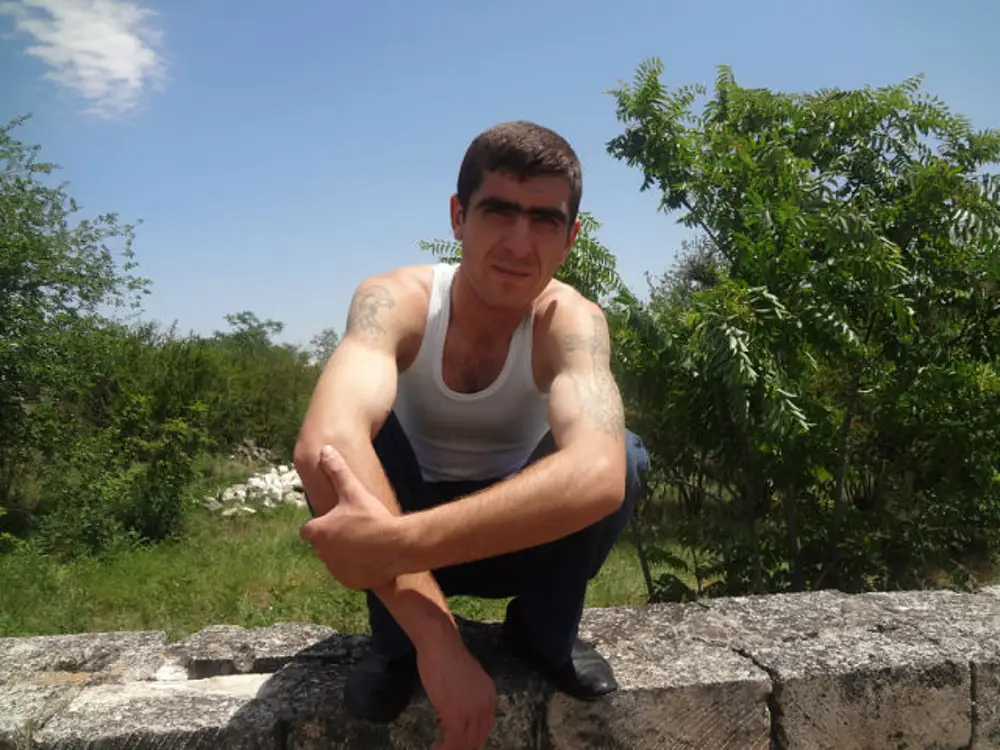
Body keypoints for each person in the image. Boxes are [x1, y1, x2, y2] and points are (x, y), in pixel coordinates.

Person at [294, 121, 650, 750]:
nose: (518, 242)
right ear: (459, 217)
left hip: (511, 532)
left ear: (570, 238)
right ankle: (403, 645)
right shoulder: (395, 301)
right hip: (406, 513)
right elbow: (323, 446)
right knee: (351, 449)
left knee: (624, 451)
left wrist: (394, 545)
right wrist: (440, 642)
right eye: (499, 211)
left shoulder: (572, 321)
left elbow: (600, 475)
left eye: (544, 220)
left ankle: (542, 635)